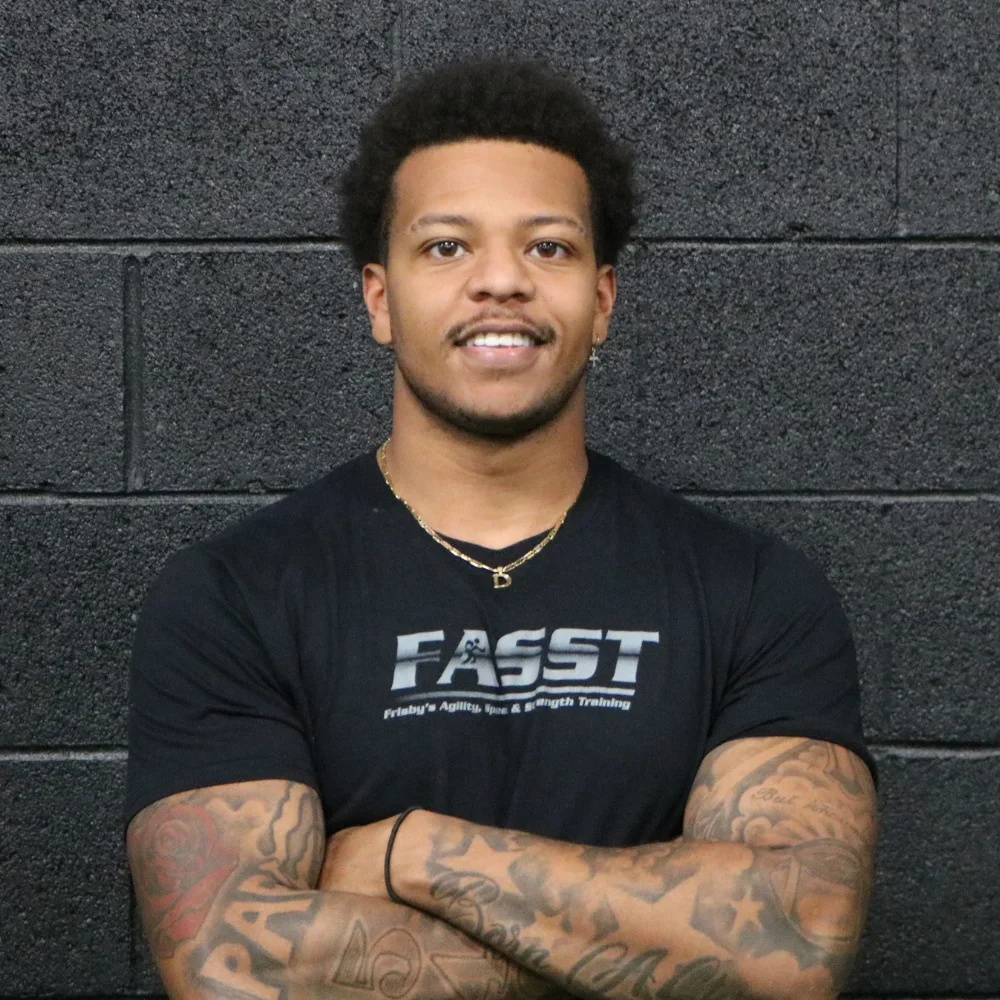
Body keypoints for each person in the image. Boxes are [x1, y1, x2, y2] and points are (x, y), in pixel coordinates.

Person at [125, 59, 877, 1000]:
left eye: (549, 248)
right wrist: (646, 955)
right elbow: (227, 965)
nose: (500, 283)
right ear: (379, 298)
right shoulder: (235, 597)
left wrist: (410, 851)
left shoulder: (755, 594)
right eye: (445, 247)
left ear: (602, 301)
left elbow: (795, 945)